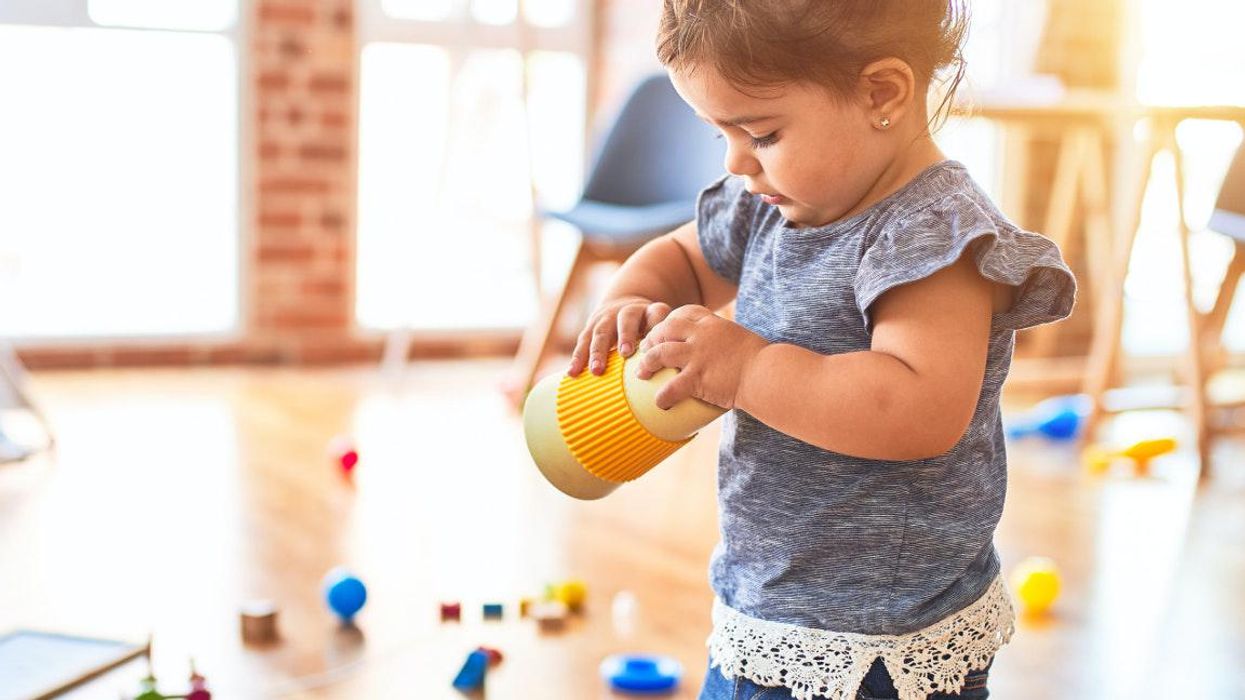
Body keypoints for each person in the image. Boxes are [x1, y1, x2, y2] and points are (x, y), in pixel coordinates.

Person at [566, 1, 1077, 698]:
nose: (737, 162)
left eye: (762, 133)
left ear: (881, 94)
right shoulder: (768, 202)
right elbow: (678, 260)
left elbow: (915, 409)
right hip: (767, 600)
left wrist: (747, 368)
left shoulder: (930, 235)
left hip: (877, 641)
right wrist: (629, 303)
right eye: (719, 132)